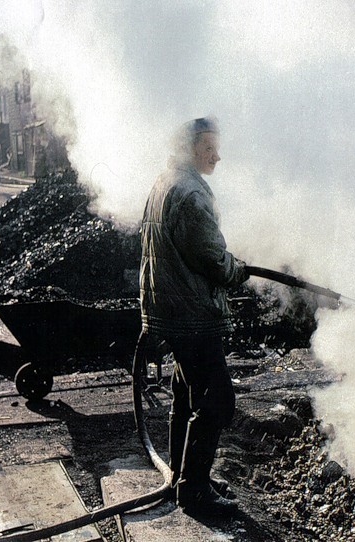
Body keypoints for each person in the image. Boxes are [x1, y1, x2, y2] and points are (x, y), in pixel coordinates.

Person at [138, 117, 248, 516]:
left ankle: (183, 476)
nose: (216, 155)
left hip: (170, 309)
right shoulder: (190, 193)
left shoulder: (165, 182)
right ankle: (193, 491)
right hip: (191, 314)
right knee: (218, 399)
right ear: (189, 149)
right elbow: (212, 260)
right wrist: (237, 269)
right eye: (208, 148)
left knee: (186, 392)